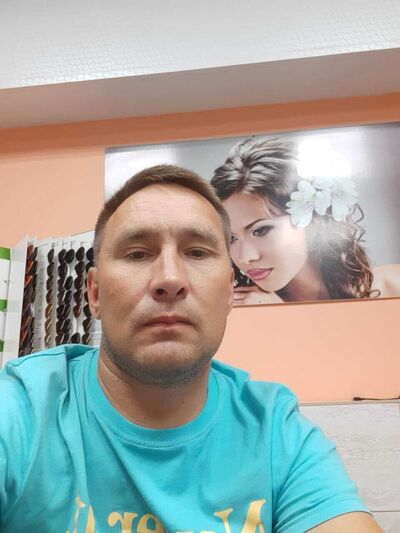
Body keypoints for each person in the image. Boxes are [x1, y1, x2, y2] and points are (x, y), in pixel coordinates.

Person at [0, 165, 382, 532]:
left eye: (197, 253)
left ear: (230, 291)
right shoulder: (21, 410)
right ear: (95, 293)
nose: (169, 279)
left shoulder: (275, 432)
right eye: (137, 254)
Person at [211, 136, 400, 306]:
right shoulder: (238, 309)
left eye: (260, 231)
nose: (245, 257)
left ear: (312, 219)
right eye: (231, 238)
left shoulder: (393, 284)